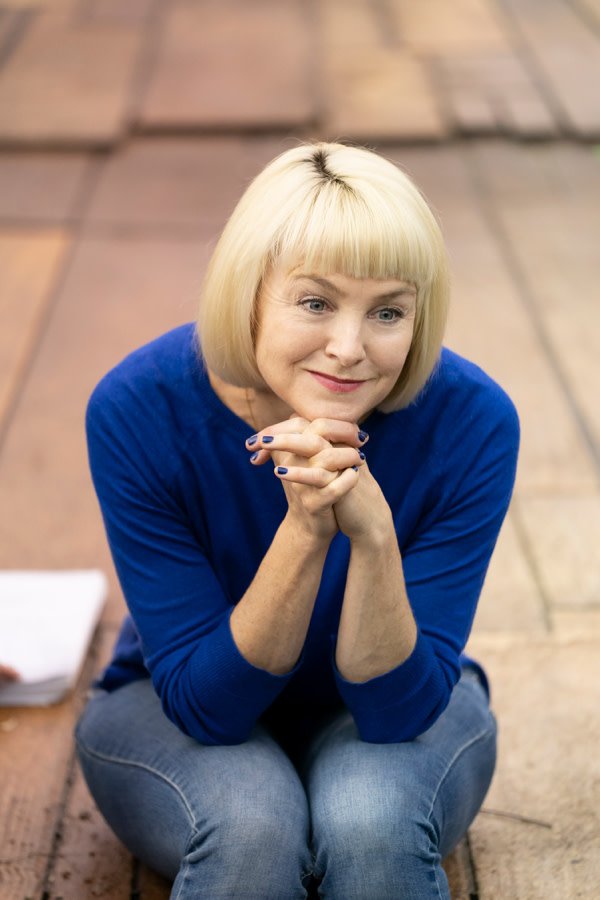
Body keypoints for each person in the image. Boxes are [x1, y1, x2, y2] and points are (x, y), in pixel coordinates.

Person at [75, 142, 519, 899]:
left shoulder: (473, 422)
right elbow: (207, 708)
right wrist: (306, 529)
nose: (348, 350)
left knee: (371, 820)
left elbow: (399, 710)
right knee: (253, 827)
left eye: (388, 312)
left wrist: (373, 538)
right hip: (170, 696)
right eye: (315, 302)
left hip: (404, 697)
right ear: (247, 293)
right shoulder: (137, 409)